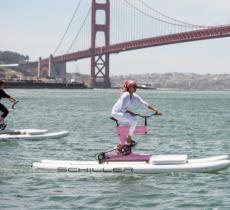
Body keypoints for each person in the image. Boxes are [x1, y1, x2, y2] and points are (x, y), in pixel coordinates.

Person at [111, 80, 162, 149]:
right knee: (134, 120)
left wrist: (155, 110)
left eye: (136, 86)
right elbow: (122, 109)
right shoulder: (125, 95)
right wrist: (130, 112)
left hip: (123, 113)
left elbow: (143, 103)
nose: (136, 88)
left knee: (129, 125)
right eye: (134, 86)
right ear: (129, 88)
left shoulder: (134, 96)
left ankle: (121, 145)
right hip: (116, 113)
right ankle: (129, 139)